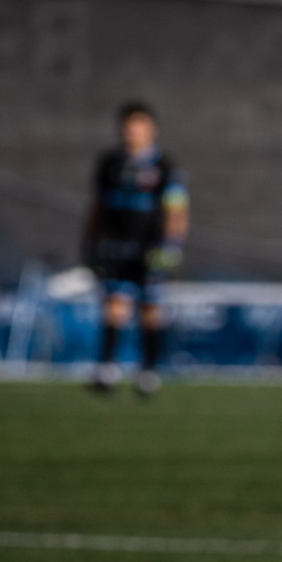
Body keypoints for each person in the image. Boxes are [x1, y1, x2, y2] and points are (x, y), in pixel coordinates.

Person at [82, 101, 188, 395]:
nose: (133, 133)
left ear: (151, 130)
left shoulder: (164, 166)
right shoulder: (110, 164)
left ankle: (148, 371)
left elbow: (177, 209)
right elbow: (96, 206)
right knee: (114, 304)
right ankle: (107, 368)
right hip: (115, 245)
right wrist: (90, 243)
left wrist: (171, 245)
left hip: (150, 247)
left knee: (150, 308)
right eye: (128, 127)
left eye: (139, 127)